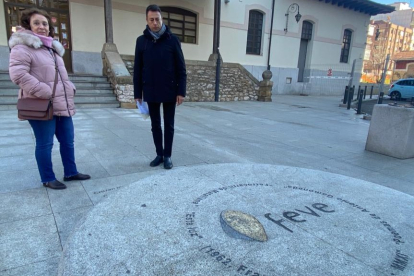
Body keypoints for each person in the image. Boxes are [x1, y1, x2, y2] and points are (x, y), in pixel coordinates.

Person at [9, 8, 90, 190]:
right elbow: (18, 75)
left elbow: (61, 77)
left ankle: (71, 172)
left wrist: (70, 87)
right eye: (36, 23)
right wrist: (45, 91)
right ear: (27, 25)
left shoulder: (52, 48)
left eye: (45, 23)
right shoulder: (22, 47)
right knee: (45, 143)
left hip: (61, 102)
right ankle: (47, 178)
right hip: (41, 104)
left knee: (68, 140)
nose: (41, 27)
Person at [133, 4, 187, 170]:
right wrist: (137, 93)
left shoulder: (173, 40)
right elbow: (138, 68)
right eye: (152, 20)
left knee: (169, 124)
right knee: (155, 124)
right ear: (147, 21)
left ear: (162, 19)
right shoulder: (141, 41)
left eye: (157, 19)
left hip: (170, 89)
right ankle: (159, 154)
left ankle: (168, 155)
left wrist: (181, 91)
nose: (155, 22)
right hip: (150, 89)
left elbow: (181, 68)